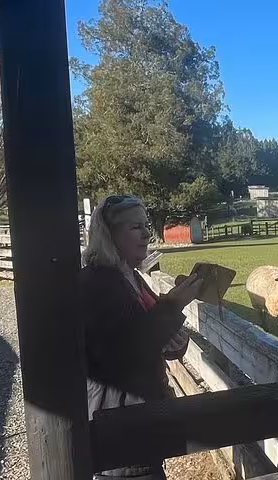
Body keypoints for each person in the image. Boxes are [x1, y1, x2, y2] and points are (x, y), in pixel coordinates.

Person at [80, 194, 203, 480]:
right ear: (109, 235)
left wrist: (175, 339)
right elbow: (125, 352)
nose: (147, 233)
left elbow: (147, 336)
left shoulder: (130, 276)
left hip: (140, 421)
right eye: (135, 227)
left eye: (146, 225)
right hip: (119, 428)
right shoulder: (98, 283)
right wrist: (174, 305)